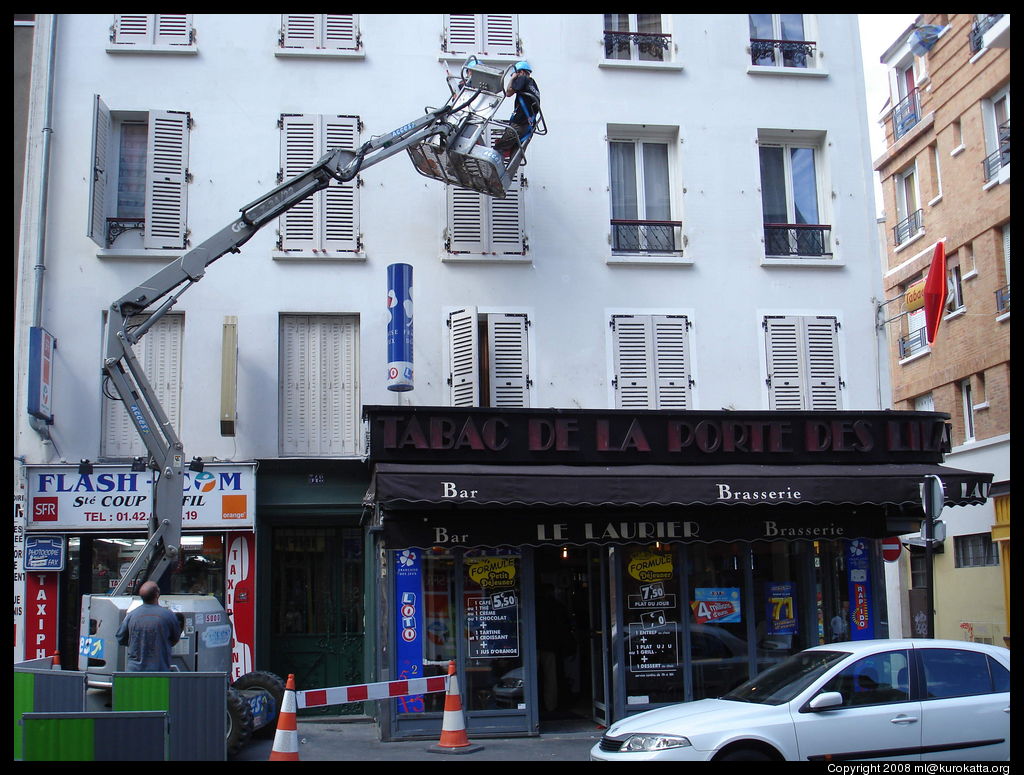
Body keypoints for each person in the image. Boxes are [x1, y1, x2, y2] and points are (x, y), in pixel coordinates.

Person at [115, 580, 183, 672]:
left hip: (134, 672)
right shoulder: (169, 615)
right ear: (157, 594)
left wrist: (137, 643)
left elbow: (120, 638)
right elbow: (175, 639)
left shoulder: (131, 615)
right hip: (159, 671)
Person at [494, 60, 541, 160]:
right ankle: (506, 175)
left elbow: (508, 92)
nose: (515, 77)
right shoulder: (533, 85)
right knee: (515, 157)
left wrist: (512, 78)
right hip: (528, 126)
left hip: (519, 125)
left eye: (515, 74)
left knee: (498, 149)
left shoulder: (523, 78)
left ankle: (490, 174)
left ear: (522, 72)